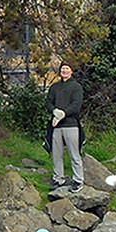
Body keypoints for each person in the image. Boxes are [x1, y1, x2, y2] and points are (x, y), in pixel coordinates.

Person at [46, 62, 84, 191]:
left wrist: (64, 113)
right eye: (63, 69)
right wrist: (54, 111)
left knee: (74, 154)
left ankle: (78, 180)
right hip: (56, 126)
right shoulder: (54, 87)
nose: (65, 71)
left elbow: (76, 105)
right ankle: (58, 179)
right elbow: (48, 102)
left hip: (71, 125)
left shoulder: (76, 87)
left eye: (67, 68)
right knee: (57, 154)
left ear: (71, 71)